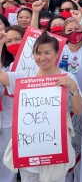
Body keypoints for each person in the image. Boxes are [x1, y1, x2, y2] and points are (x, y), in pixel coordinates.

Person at [0, 31, 82, 182]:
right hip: (29, 149)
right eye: (38, 53)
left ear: (57, 53)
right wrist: (0, 44)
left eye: (47, 52)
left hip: (55, 149)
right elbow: (1, 76)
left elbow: (78, 110)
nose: (42, 58)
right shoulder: (26, 76)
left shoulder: (68, 78)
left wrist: (73, 88)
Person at [0, 23, 17, 182]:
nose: (13, 44)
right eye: (9, 41)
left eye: (17, 39)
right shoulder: (5, 65)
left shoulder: (37, 63)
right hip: (6, 118)